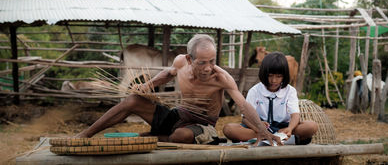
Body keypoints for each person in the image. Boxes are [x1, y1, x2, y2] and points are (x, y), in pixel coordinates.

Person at [76, 34, 282, 145]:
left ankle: (150, 138)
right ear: (190, 59)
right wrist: (148, 85)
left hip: (202, 126)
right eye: (202, 62)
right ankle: (85, 135)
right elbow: (168, 73)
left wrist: (263, 131)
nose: (208, 67)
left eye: (212, 61)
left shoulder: (221, 77)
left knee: (179, 137)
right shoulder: (180, 63)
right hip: (177, 116)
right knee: (132, 100)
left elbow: (243, 105)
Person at [223, 51, 318, 145]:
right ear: (264, 74)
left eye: (278, 76)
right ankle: (275, 138)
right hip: (258, 128)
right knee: (229, 129)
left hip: (282, 129)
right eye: (270, 76)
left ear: (284, 76)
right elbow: (245, 118)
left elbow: (295, 115)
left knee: (311, 126)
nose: (274, 80)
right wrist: (259, 127)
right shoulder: (255, 91)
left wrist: (290, 129)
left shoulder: (290, 91)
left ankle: (279, 137)